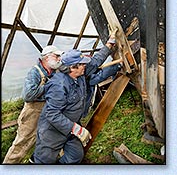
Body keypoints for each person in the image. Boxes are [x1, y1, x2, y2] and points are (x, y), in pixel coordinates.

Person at [32, 35, 122, 164]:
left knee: (75, 155)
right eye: (82, 64)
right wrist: (77, 129)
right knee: (44, 161)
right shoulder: (59, 85)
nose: (85, 66)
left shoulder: (79, 75)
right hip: (53, 132)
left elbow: (95, 61)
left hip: (71, 127)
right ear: (73, 67)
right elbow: (52, 114)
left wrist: (109, 45)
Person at [3, 45, 63, 164]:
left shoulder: (55, 71)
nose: (59, 59)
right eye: (56, 56)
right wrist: (49, 86)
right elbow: (28, 95)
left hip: (49, 112)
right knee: (22, 144)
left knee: (53, 139)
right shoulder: (35, 72)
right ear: (47, 57)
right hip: (33, 114)